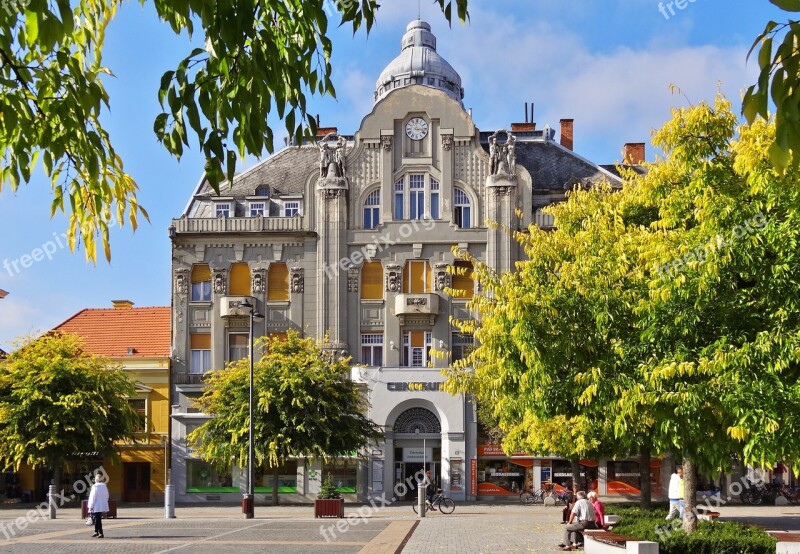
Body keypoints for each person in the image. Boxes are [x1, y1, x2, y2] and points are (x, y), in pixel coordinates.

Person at [87, 474, 109, 538]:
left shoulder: (95, 486)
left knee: (98, 519)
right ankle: (96, 531)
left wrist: (90, 506)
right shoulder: (104, 486)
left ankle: (100, 533)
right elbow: (107, 495)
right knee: (97, 518)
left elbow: (92, 497)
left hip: (96, 504)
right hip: (102, 504)